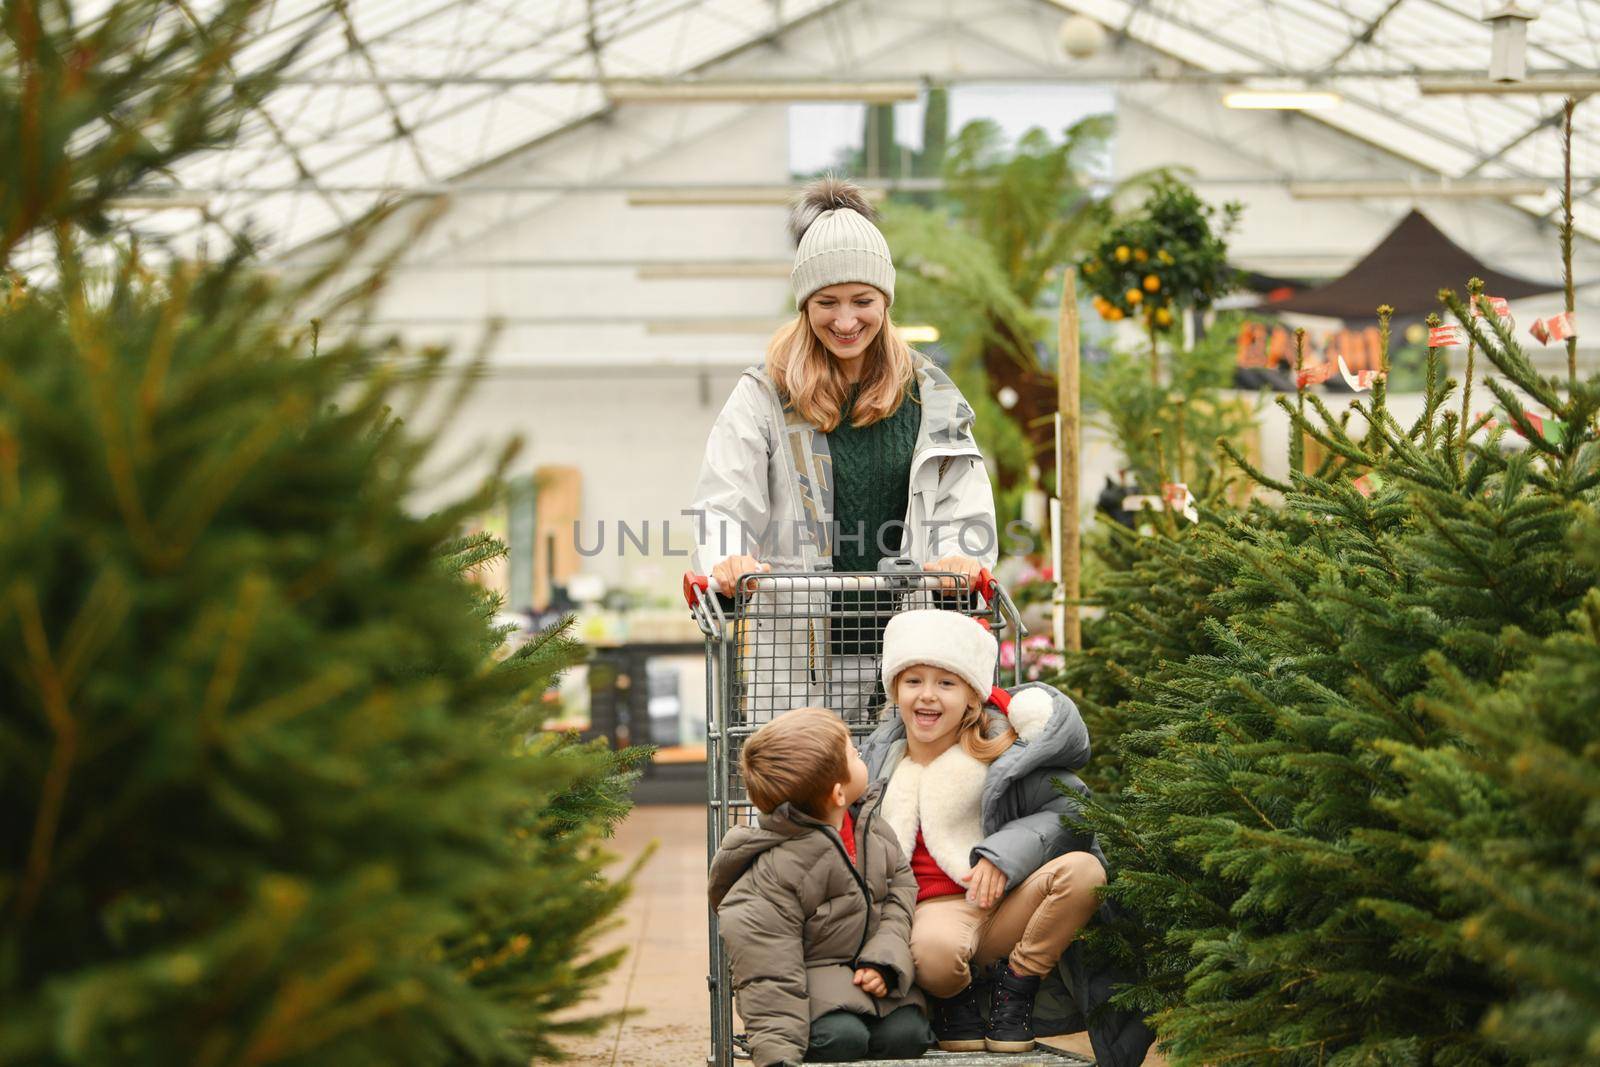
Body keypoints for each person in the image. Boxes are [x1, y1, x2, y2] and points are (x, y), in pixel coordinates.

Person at [688, 176, 998, 719]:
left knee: (900, 798)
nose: (846, 320)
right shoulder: (764, 395)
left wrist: (961, 558)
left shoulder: (931, 396)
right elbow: (723, 499)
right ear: (805, 305)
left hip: (909, 655)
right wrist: (726, 558)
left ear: (886, 300)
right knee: (797, 796)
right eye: (827, 302)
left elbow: (961, 502)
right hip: (796, 653)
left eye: (863, 300)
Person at [858, 609, 1108, 1055]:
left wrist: (1002, 855)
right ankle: (958, 1001)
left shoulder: (1002, 753)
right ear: (894, 689)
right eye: (913, 681)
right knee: (933, 954)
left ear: (973, 697)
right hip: (933, 912)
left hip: (1005, 902)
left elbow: (1073, 810)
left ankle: (1016, 991)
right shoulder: (878, 762)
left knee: (1085, 872)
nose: (927, 696)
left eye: (946, 683)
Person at [708, 709, 934, 1065]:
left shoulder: (870, 827)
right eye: (852, 753)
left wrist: (885, 961)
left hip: (872, 974)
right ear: (837, 793)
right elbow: (768, 972)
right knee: (843, 1039)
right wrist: (777, 1055)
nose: (860, 752)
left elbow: (900, 892)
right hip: (808, 988)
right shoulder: (775, 869)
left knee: (910, 1035)